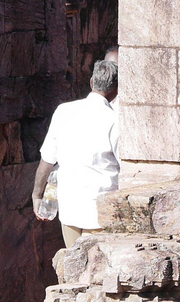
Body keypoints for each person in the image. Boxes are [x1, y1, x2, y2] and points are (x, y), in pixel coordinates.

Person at [33, 59, 119, 248]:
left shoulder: (63, 111)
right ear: (116, 90)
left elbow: (46, 162)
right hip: (100, 210)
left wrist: (36, 195)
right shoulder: (114, 119)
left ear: (91, 82)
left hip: (70, 207)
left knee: (74, 267)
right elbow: (125, 165)